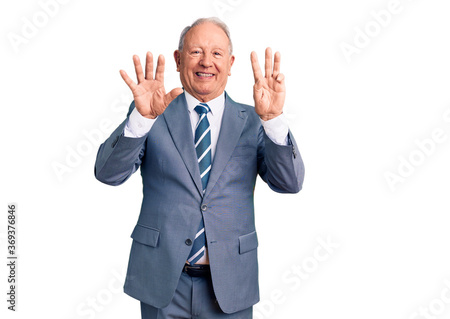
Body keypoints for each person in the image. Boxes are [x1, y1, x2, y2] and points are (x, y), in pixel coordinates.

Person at [94, 17, 304, 318]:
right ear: (179, 60)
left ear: (231, 63)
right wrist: (141, 120)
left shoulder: (254, 119)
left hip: (230, 283)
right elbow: (107, 174)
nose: (206, 62)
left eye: (217, 54)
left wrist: (273, 121)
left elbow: (290, 183)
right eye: (196, 52)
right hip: (162, 280)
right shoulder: (153, 113)